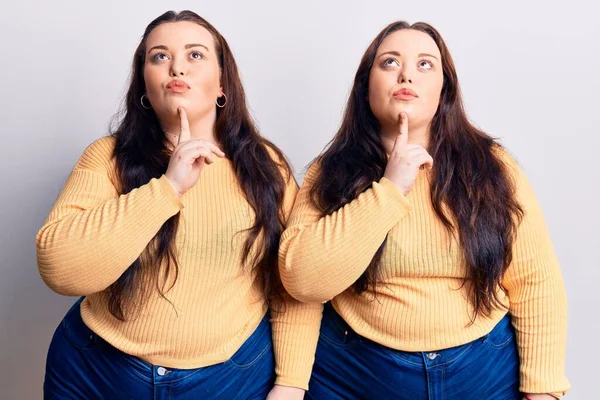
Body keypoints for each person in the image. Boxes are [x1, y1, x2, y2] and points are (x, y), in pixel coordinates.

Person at [37, 10, 320, 399]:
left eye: (195, 55)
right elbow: (60, 270)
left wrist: (291, 384)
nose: (176, 67)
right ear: (145, 85)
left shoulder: (265, 167)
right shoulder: (105, 158)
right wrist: (168, 188)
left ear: (223, 85)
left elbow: (293, 285)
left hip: (227, 380)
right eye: (159, 56)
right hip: (98, 372)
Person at [279, 21, 569, 400]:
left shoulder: (492, 165)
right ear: (367, 85)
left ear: (444, 89)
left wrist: (543, 389)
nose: (406, 75)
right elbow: (303, 282)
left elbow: (535, 278)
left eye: (425, 65)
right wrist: (390, 188)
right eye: (389, 63)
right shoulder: (329, 171)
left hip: (483, 369)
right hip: (359, 371)